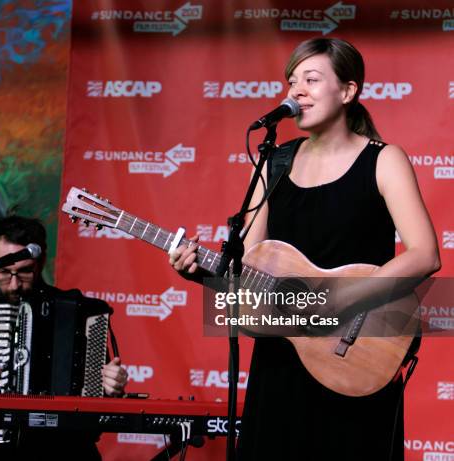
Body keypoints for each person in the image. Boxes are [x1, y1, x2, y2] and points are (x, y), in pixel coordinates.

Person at [170, 38, 440, 460]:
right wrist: (202, 272)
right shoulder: (272, 162)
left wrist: (335, 300)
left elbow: (425, 254)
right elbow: (247, 270)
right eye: (291, 80)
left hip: (357, 354)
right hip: (282, 359)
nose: (296, 91)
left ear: (348, 91)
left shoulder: (384, 160)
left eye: (311, 80)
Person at [0, 215, 127, 460]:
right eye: (3, 272)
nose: (14, 284)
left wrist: (111, 388)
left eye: (25, 271)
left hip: (59, 448)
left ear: (41, 262)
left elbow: (97, 400)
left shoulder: (80, 311)